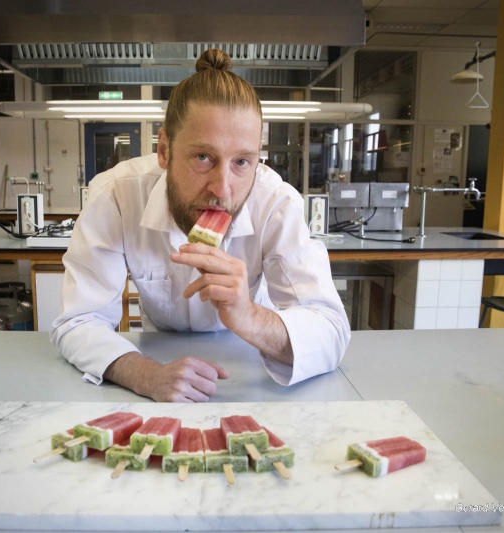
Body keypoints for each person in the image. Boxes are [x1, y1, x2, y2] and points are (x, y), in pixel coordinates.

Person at [50, 49, 351, 402]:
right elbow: (79, 320)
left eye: (241, 161)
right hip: (156, 363)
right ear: (164, 150)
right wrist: (145, 374)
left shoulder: (276, 204)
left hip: (254, 366)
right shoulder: (117, 195)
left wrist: (250, 315)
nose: (222, 190)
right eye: (203, 157)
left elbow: (331, 331)